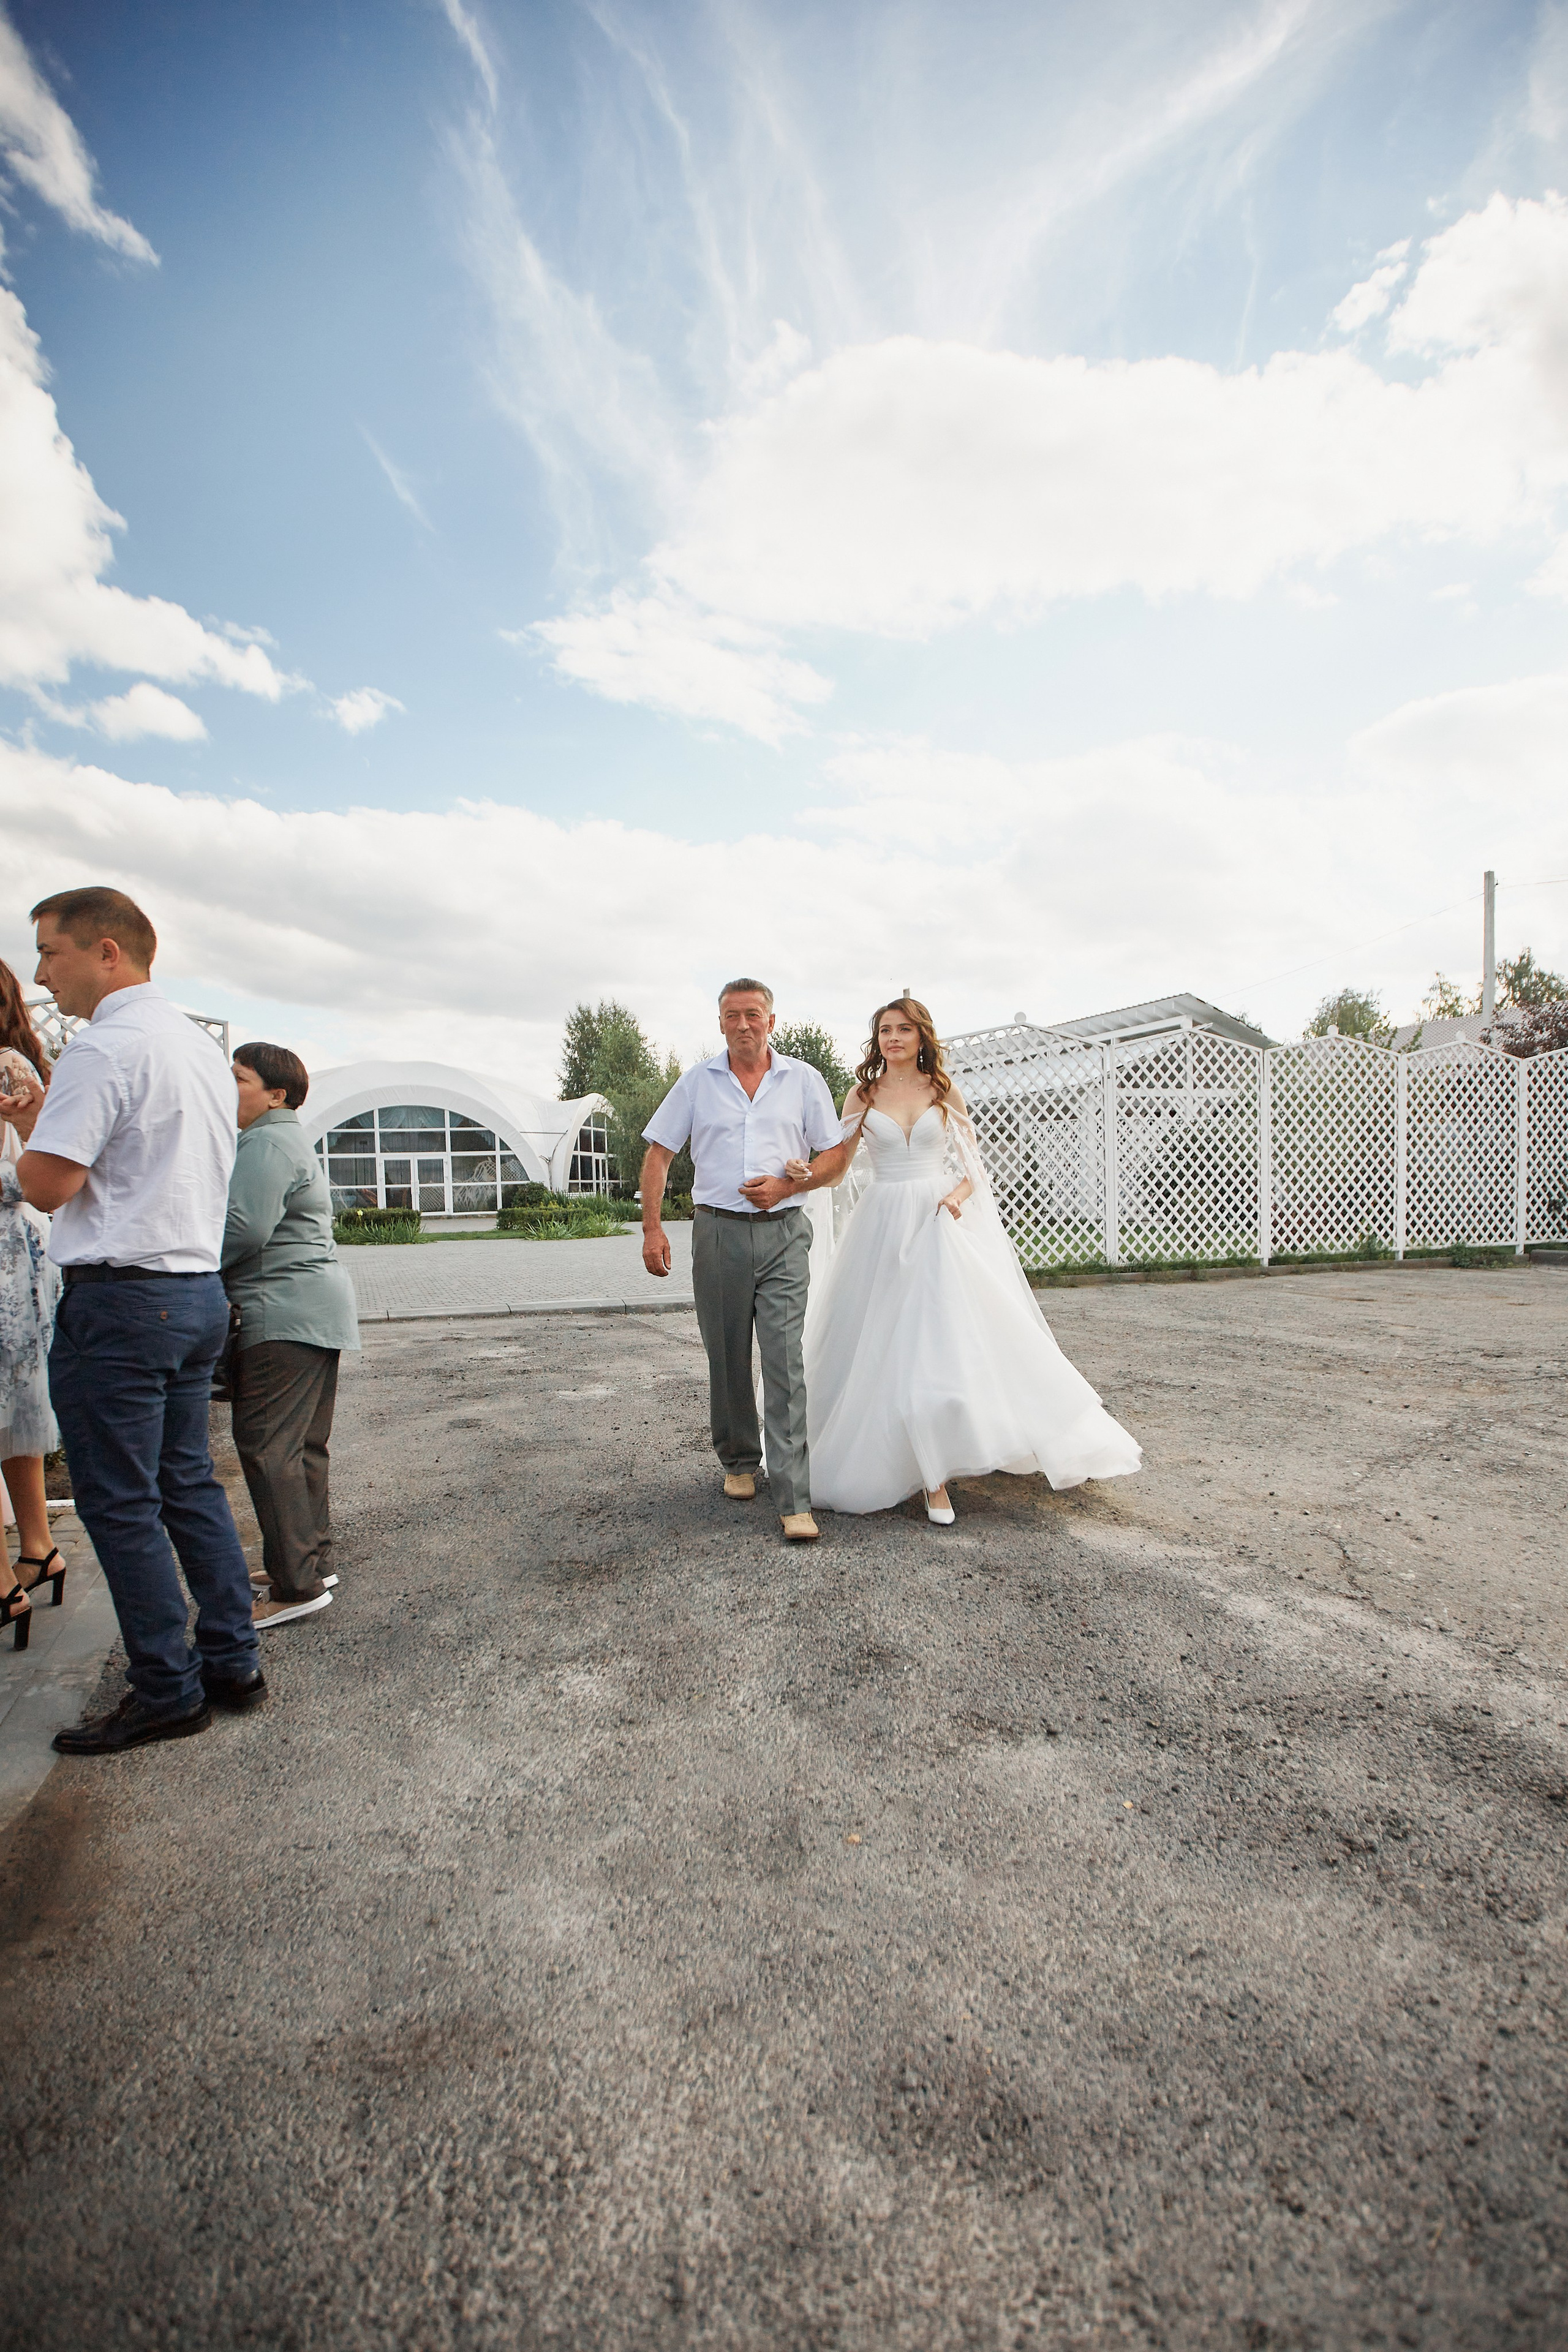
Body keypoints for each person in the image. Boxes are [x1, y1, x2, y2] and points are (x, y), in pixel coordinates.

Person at [4, 886, 265, 1750]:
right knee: (186, 1482)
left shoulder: (103, 1047)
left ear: (107, 951)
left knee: (120, 1503)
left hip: (120, 1299)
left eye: (51, 952)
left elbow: (50, 1185)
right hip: (193, 1292)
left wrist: (26, 1149)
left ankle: (165, 1688)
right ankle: (231, 1659)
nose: (43, 973)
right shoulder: (194, 1050)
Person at [784, 997, 1141, 1520]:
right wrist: (808, 1174)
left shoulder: (942, 1089)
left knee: (939, 1341)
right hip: (881, 1223)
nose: (894, 1038)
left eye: (904, 1029)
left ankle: (937, 1475)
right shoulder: (861, 1094)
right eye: (885, 1030)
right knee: (879, 1341)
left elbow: (975, 1167)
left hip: (935, 1221)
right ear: (876, 1039)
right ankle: (903, 1463)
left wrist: (956, 1195)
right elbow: (839, 1166)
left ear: (921, 1036)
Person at [641, 978, 840, 1540]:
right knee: (726, 1353)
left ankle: (794, 1496)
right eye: (733, 1015)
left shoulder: (803, 1079)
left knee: (784, 1359)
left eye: (754, 1014)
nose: (744, 1024)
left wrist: (785, 1186)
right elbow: (658, 1154)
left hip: (783, 1235)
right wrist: (652, 1228)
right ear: (721, 1022)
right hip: (719, 1233)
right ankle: (738, 1461)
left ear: (772, 1021)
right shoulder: (697, 1082)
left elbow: (834, 1156)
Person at [223, 1041, 359, 1629]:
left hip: (278, 1308)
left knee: (266, 1444)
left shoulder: (266, 1140)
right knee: (301, 1445)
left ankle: (296, 1585)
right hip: (312, 1309)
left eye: (238, 1079)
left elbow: (244, 1229)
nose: (228, 1089)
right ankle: (309, 1560)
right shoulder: (289, 1138)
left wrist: (185, 1260)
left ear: (276, 1094)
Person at [0, 960, 64, 1649]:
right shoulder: (21, 1061)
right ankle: (38, 1550)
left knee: (8, 1403)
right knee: (14, 1406)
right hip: (20, 1254)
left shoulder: (8, 1068)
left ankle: (3, 1583)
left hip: (7, 1246)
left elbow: (31, 1172)